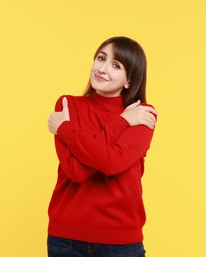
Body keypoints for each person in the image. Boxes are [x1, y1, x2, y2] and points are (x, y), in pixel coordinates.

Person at [47, 36, 158, 257]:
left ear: (129, 80)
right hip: (67, 240)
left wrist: (65, 129)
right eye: (101, 58)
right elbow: (76, 171)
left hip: (121, 241)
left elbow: (111, 163)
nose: (103, 68)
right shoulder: (69, 105)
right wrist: (122, 122)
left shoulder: (141, 113)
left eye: (116, 65)